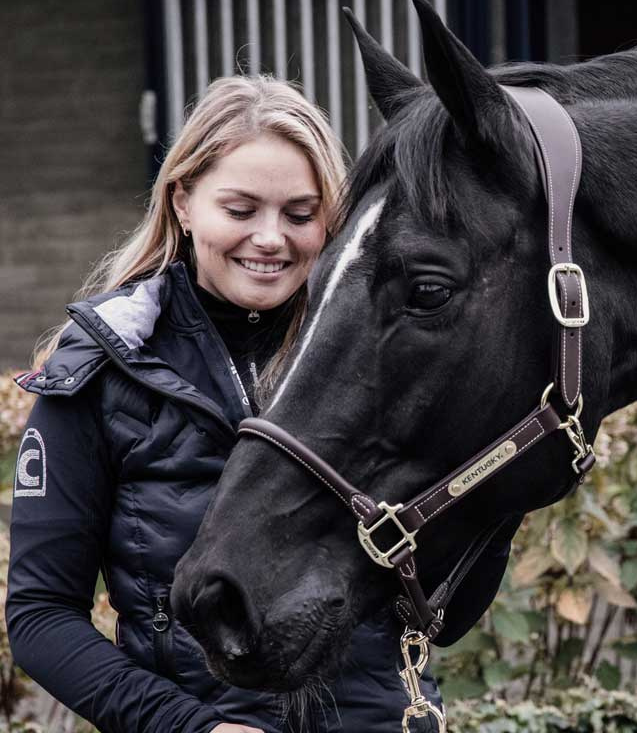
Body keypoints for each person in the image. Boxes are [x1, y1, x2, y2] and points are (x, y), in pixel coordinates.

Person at [6, 75, 515, 733]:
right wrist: (190, 729)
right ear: (183, 202)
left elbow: (443, 619)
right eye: (240, 210)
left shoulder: (390, 357)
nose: (271, 238)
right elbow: (41, 616)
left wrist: (499, 496)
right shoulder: (104, 367)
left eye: (300, 215)